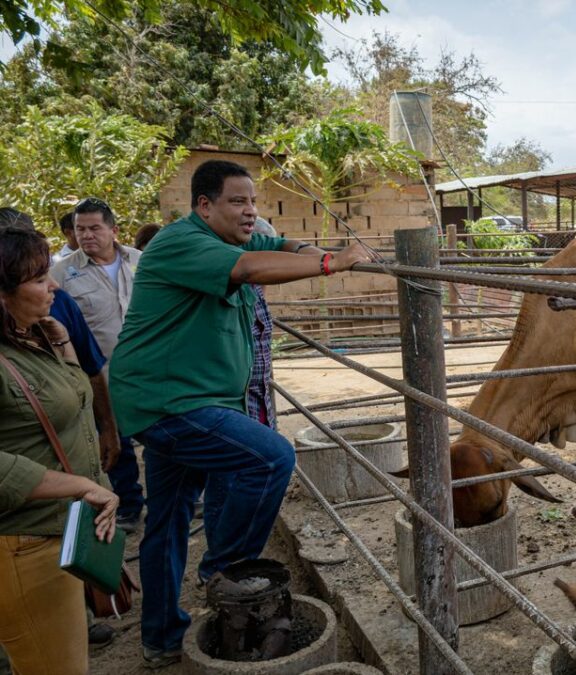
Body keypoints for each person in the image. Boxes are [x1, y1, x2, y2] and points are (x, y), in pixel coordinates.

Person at [108, 160, 372, 667]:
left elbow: (273, 248)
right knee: (270, 457)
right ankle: (228, 573)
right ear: (204, 205)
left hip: (184, 400)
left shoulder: (231, 240)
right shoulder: (181, 242)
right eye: (237, 201)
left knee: (167, 519)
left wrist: (303, 247)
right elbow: (251, 270)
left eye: (253, 201)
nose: (250, 210)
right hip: (170, 404)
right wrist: (331, 264)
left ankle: (161, 638)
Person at [0, 226, 119, 675]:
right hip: (25, 546)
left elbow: (68, 401)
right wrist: (79, 484)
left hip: (56, 535)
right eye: (37, 279)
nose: (53, 286)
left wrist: (63, 345)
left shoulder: (33, 337)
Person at [51, 197, 145, 533]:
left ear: (113, 230)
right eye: (80, 229)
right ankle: (129, 506)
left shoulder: (142, 262)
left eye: (94, 228)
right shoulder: (61, 274)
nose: (87, 235)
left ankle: (179, 498)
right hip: (101, 374)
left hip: (149, 369)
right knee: (113, 439)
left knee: (163, 435)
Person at [197, 216, 278, 583]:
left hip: (257, 399)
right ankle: (221, 567)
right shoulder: (226, 292)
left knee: (239, 477)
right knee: (225, 483)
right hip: (233, 402)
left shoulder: (254, 293)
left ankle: (231, 563)